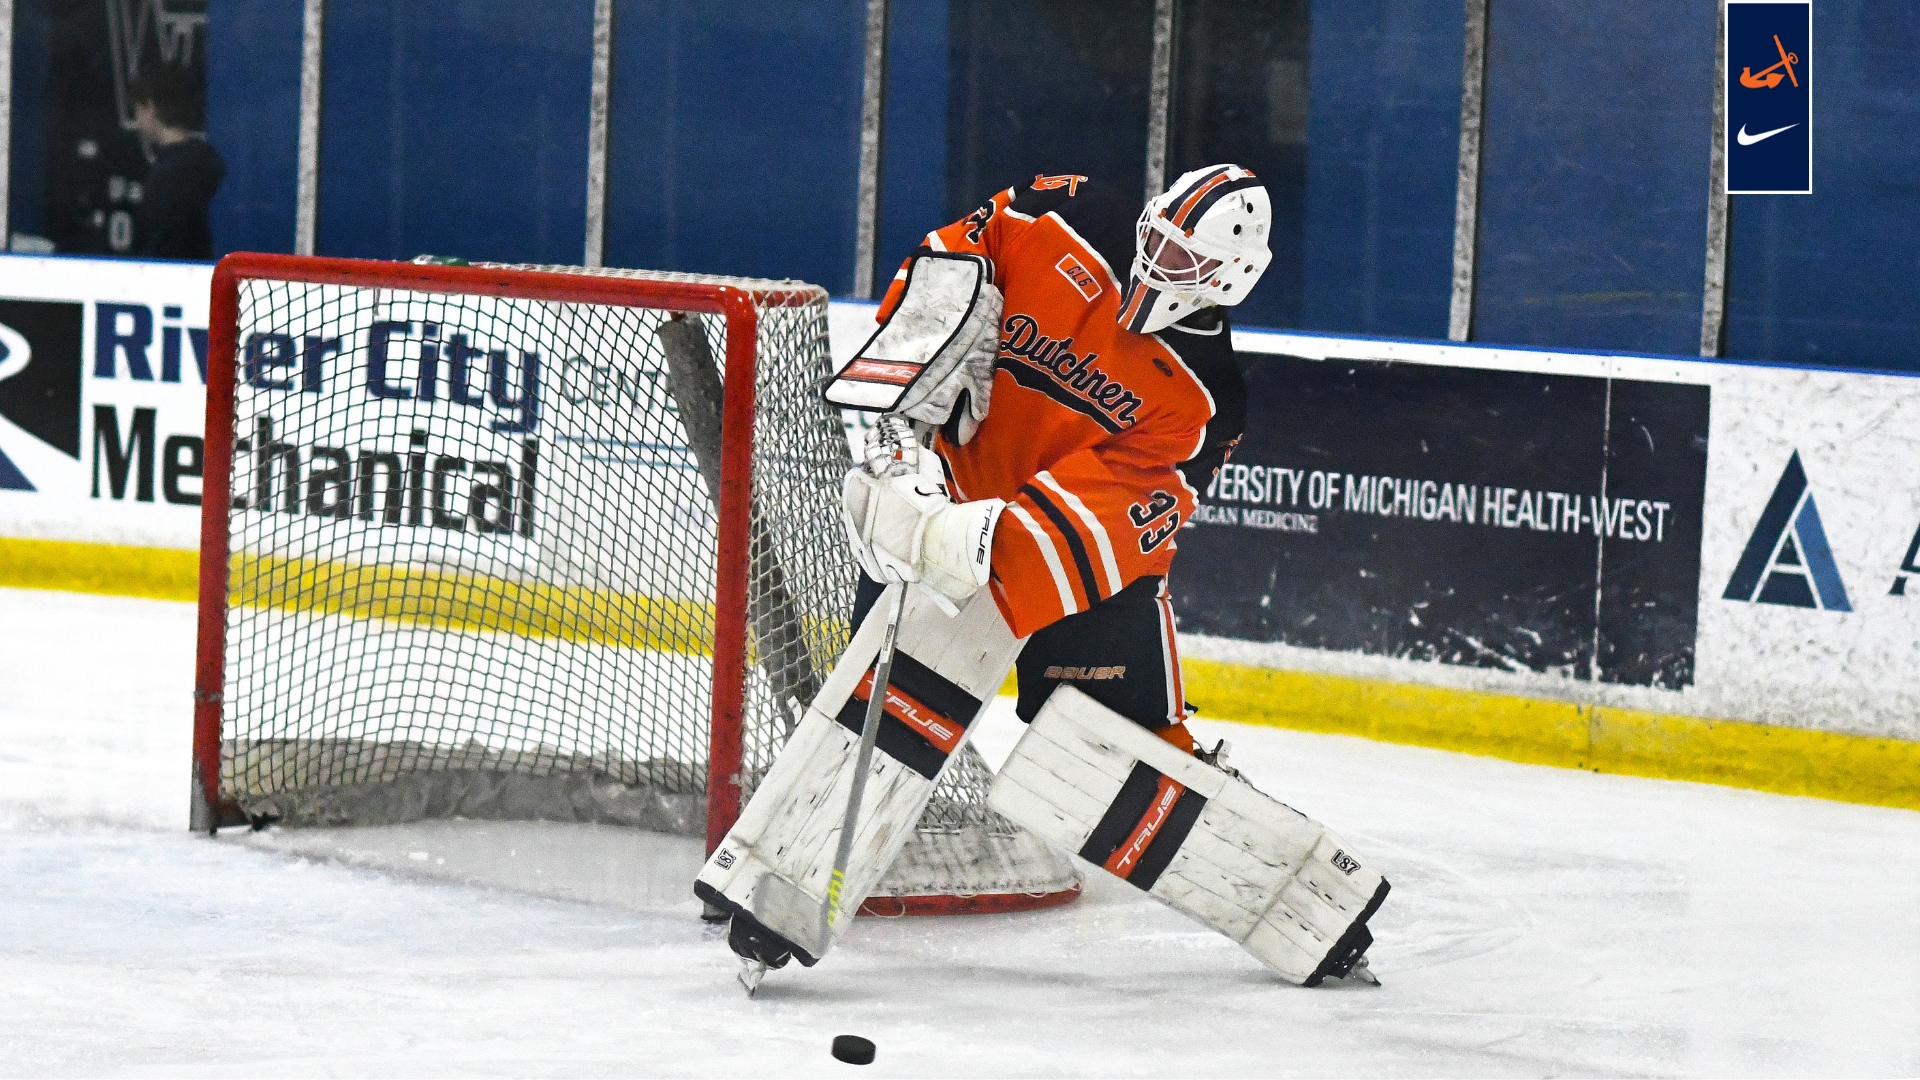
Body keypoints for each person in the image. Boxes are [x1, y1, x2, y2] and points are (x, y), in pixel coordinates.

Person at [850, 166, 1268, 752]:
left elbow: (1105, 517)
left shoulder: (1207, 401)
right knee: (869, 727)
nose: (1156, 262)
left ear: (1230, 278)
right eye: (1157, 239)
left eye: (1183, 260)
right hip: (945, 488)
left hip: (1071, 574)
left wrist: (938, 539)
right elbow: (956, 248)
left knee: (1115, 750)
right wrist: (925, 359)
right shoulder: (1067, 210)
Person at [126, 65, 225, 260]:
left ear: (150, 108)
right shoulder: (208, 161)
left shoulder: (167, 174)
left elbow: (159, 247)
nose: (136, 122)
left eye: (137, 110)